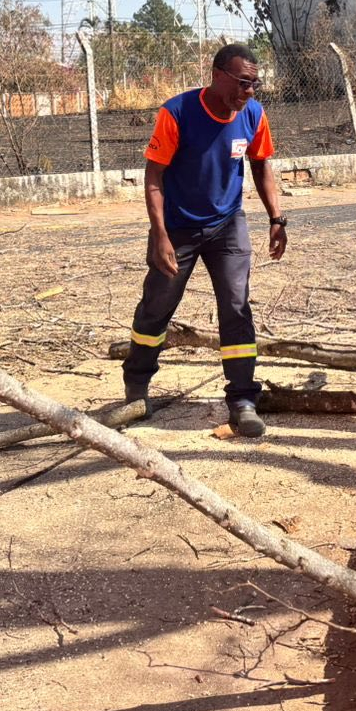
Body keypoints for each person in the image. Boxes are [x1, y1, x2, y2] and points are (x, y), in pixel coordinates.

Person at [122, 44, 287, 437]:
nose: (248, 92)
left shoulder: (253, 114)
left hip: (228, 225)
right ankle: (137, 384)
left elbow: (262, 165)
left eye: (254, 84)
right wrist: (159, 235)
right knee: (157, 305)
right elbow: (153, 178)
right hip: (177, 229)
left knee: (236, 305)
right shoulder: (176, 112)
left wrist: (277, 218)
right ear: (217, 75)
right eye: (242, 82)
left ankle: (243, 400)